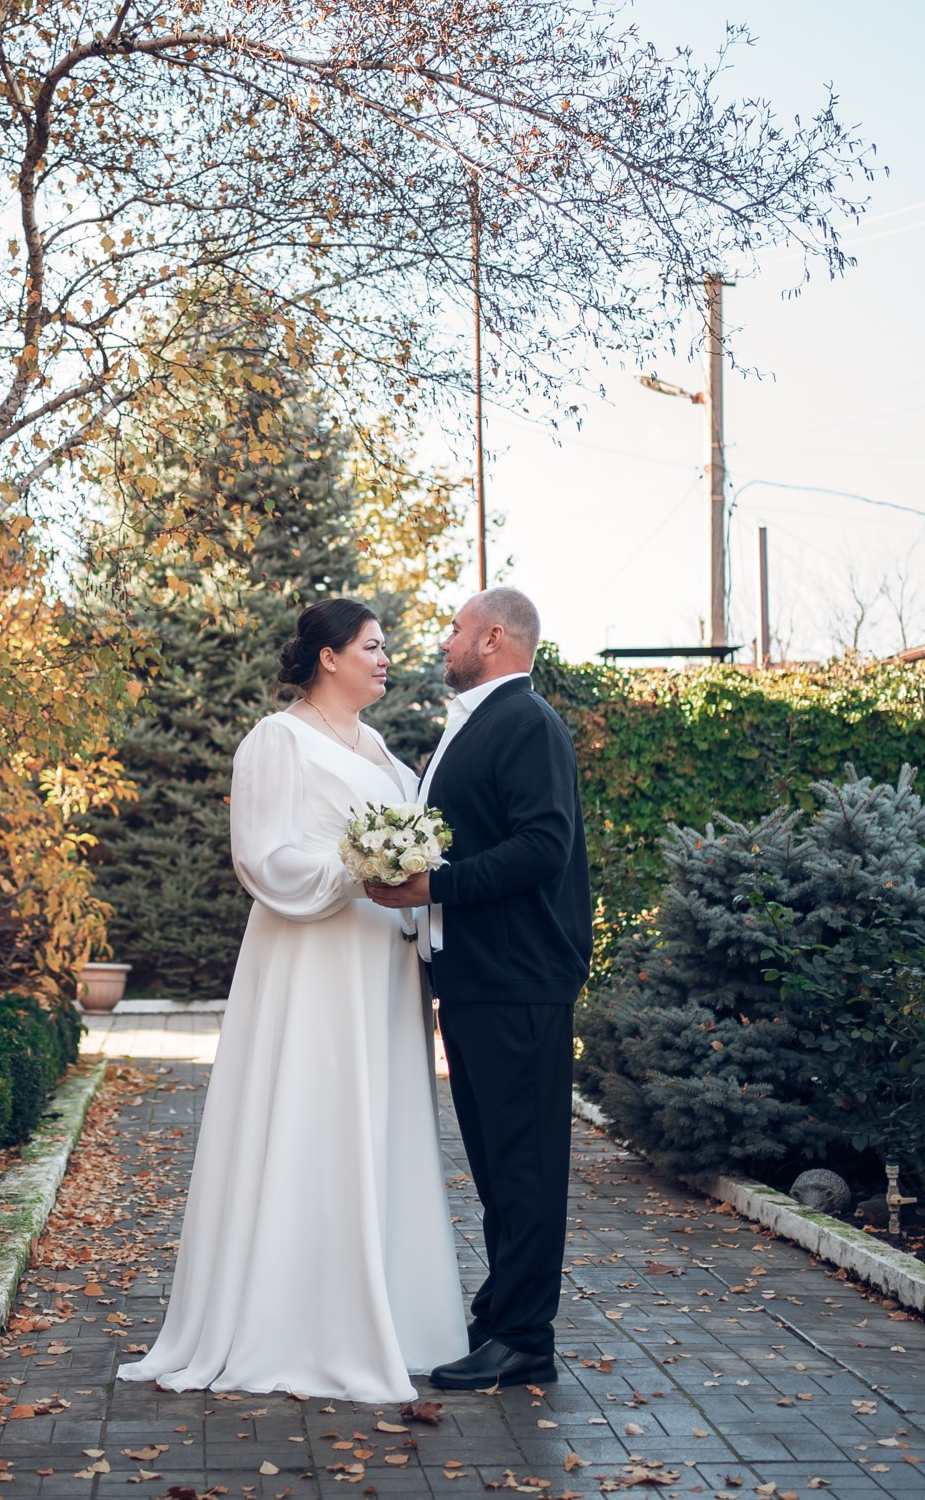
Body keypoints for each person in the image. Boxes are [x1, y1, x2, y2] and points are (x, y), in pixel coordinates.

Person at [118, 598, 469, 1402]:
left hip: (382, 965)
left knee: (379, 1121)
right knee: (314, 1112)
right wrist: (355, 871)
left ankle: (398, 1317)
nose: (385, 658)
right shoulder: (275, 740)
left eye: (384, 646)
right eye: (372, 645)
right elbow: (262, 858)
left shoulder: (379, 747)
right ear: (328, 656)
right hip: (314, 958)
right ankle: (293, 1321)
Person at [365, 587, 590, 1389]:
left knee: (524, 1165)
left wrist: (437, 885)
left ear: (494, 637)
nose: (445, 640)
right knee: (498, 1166)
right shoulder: (479, 721)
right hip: (477, 980)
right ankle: (501, 1315)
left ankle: (526, 1337)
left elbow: (544, 845)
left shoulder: (525, 721)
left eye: (456, 627)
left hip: (519, 979)